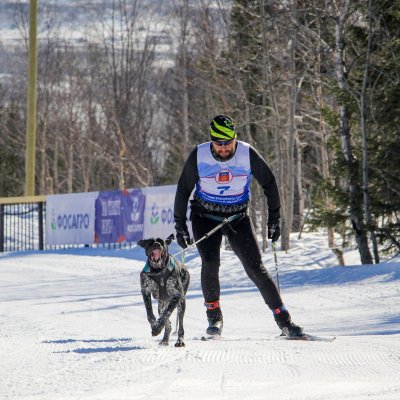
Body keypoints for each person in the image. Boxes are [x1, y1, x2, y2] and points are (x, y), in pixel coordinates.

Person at [173, 114, 304, 338]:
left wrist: (274, 219)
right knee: (210, 263)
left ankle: (285, 321)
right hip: (205, 217)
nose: (224, 148)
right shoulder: (199, 154)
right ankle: (214, 318)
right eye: (219, 144)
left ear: (235, 138)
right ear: (212, 140)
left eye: (228, 143)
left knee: (255, 268)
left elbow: (269, 183)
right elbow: (183, 189)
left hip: (237, 218)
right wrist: (180, 226)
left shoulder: (246, 153)